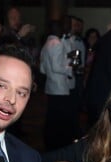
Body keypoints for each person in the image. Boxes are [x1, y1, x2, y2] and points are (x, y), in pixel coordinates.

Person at [40, 19, 79, 151]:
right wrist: (70, 68)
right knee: (59, 118)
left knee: (51, 117)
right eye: (62, 26)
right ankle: (58, 143)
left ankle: (50, 142)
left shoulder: (46, 43)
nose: (64, 29)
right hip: (60, 87)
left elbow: (42, 68)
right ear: (56, 29)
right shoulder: (57, 43)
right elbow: (57, 67)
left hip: (50, 85)